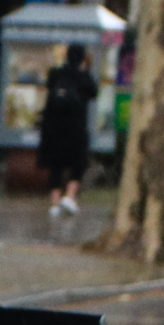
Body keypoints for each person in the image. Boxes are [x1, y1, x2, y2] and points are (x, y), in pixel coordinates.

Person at [38, 43, 99, 218]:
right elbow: (94, 93)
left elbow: (48, 89)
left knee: (56, 166)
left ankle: (55, 204)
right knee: (78, 163)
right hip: (76, 127)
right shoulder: (83, 76)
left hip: (53, 127)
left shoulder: (55, 73)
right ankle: (70, 196)